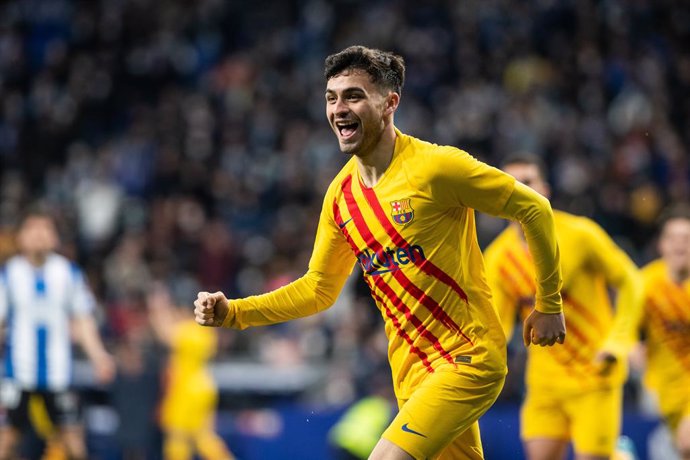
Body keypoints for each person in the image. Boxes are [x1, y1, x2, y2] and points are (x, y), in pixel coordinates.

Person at [194, 45, 566, 460]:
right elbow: (318, 289)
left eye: (353, 95)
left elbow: (535, 207)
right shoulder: (340, 197)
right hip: (410, 378)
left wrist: (549, 303)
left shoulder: (437, 168)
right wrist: (236, 313)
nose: (339, 108)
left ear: (390, 103)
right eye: (331, 98)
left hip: (468, 359)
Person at [483, 153, 644, 460]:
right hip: (545, 381)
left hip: (594, 371)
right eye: (510, 184)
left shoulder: (580, 234)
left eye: (527, 182)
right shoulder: (497, 258)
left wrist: (620, 340)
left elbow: (631, 281)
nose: (519, 190)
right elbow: (496, 326)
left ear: (545, 188)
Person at [0, 206, 116, 460]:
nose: (39, 235)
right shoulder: (9, 274)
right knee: (5, 443)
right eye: (32, 228)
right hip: (17, 373)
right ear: (20, 237)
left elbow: (83, 320)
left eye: (45, 229)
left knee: (75, 445)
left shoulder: (68, 274)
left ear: (55, 237)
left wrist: (99, 356)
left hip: (58, 375)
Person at [147, 283, 234, 460]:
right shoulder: (205, 329)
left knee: (177, 437)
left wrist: (157, 306)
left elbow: (165, 333)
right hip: (203, 386)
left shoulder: (188, 329)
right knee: (202, 437)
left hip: (186, 390)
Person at [635, 204, 690, 459]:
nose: (680, 246)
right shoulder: (645, 283)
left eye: (687, 239)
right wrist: (633, 352)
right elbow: (625, 331)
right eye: (673, 238)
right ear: (662, 244)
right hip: (664, 389)